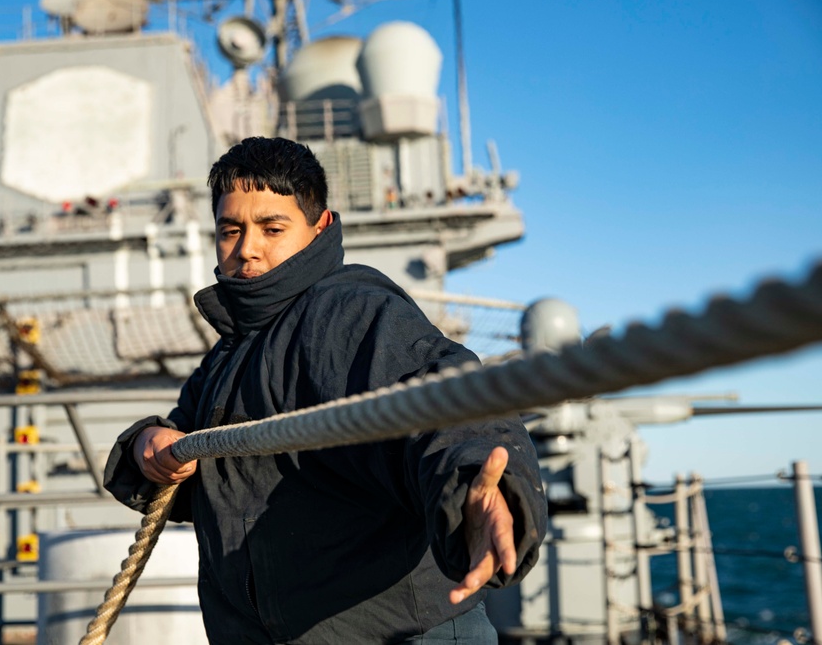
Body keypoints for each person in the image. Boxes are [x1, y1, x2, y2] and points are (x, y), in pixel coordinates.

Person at [104, 137, 547, 644]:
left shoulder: (350, 313)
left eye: (272, 228)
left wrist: (477, 490)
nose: (247, 248)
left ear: (320, 227)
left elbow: (446, 394)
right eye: (231, 230)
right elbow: (186, 446)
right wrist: (148, 445)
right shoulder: (229, 354)